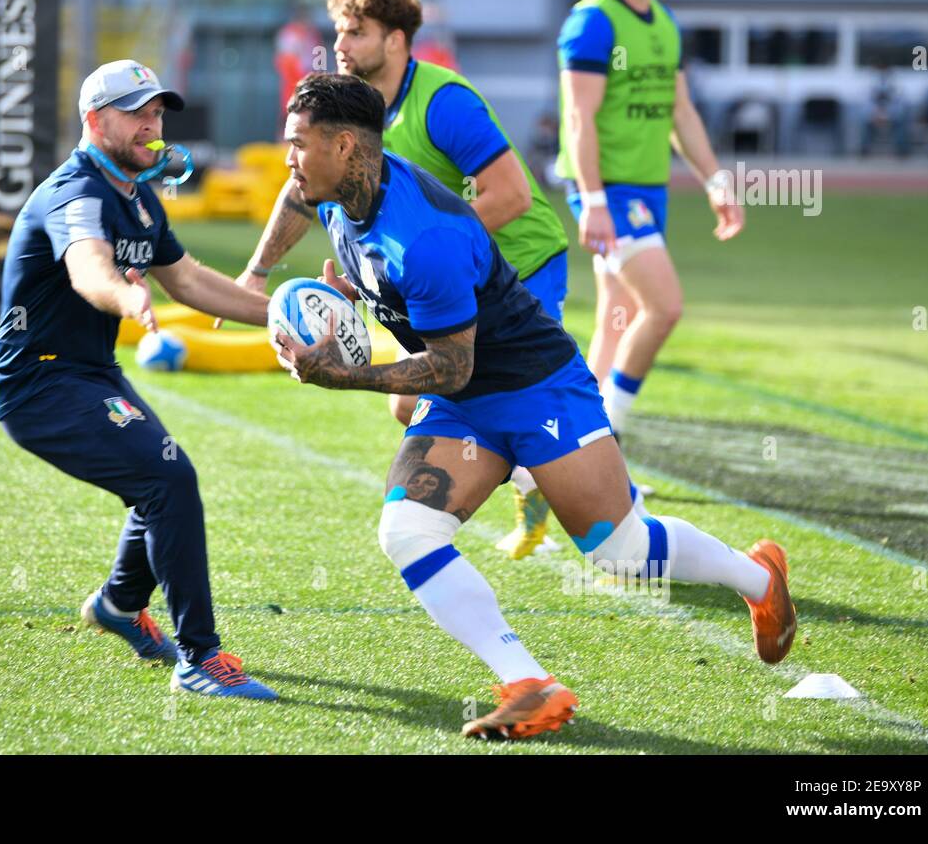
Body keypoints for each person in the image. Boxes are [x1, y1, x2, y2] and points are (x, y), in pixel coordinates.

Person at [274, 73, 795, 740]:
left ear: (345, 146)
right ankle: (530, 683)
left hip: (534, 385)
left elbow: (450, 364)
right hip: (465, 403)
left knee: (621, 551)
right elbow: (323, 225)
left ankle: (759, 579)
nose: (288, 159)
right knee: (406, 532)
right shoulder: (339, 195)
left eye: (297, 145)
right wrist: (319, 286)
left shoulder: (423, 238)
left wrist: (342, 376)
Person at [239, 0, 575, 561]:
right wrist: (258, 269)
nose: (339, 45)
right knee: (408, 403)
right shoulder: (350, 114)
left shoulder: (444, 102)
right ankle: (531, 480)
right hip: (442, 276)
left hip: (520, 268)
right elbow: (302, 193)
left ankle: (608, 513)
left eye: (355, 32)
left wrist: (405, 258)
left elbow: (512, 196)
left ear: (396, 40)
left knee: (516, 398)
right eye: (337, 31)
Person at [0, 59, 277, 701]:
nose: (153, 125)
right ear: (95, 122)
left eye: (157, 112)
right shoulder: (77, 192)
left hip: (90, 374)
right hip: (39, 385)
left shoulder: (140, 196)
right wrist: (125, 300)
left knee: (164, 476)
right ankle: (200, 657)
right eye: (137, 113)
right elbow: (87, 267)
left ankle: (120, 606)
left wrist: (283, 311)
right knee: (169, 478)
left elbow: (191, 281)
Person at [557, 0, 744, 436]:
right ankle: (606, 430)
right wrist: (592, 199)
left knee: (616, 316)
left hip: (647, 188)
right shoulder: (593, 22)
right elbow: (579, 117)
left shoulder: (664, 21)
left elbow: (680, 112)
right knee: (663, 308)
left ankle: (575, 444)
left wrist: (715, 182)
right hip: (609, 190)